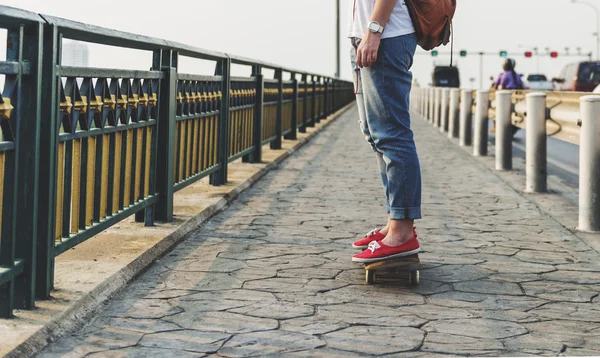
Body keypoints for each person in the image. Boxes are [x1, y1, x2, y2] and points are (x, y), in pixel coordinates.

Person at [348, 0, 422, 263]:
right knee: (374, 132)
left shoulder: (380, 34)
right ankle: (395, 222)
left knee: (392, 135)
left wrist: (375, 30)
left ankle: (402, 232)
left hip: (386, 37)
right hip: (367, 35)